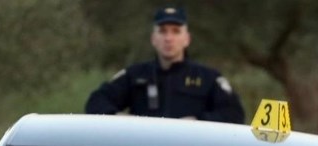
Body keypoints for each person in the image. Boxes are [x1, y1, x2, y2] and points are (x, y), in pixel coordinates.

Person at [85, 6, 245, 123]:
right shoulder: (135, 75)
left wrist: (199, 121)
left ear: (187, 39)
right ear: (153, 39)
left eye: (176, 31)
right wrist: (120, 118)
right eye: (162, 31)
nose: (168, 38)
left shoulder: (208, 78)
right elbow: (96, 102)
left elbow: (234, 114)